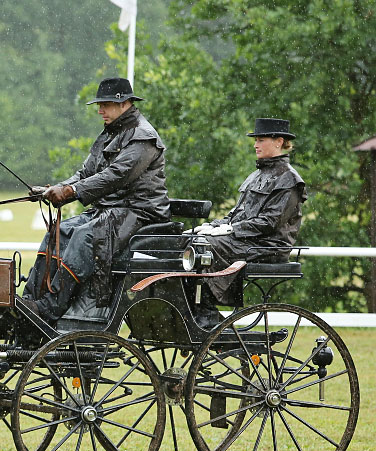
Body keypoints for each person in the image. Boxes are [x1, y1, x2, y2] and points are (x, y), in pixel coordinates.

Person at [23, 77, 170, 323]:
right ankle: (30, 300)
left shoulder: (143, 136)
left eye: (106, 104)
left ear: (124, 104)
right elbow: (85, 174)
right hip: (109, 212)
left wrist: (70, 192)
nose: (100, 110)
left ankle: (49, 308)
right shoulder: (109, 134)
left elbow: (115, 176)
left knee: (85, 237)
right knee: (57, 232)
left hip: (140, 213)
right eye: (99, 104)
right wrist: (57, 188)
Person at [191, 118, 305, 327]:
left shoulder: (289, 179)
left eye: (261, 140)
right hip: (247, 241)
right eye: (256, 140)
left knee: (209, 246)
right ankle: (193, 307)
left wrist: (232, 229)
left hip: (268, 247)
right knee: (194, 241)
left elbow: (270, 222)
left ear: (279, 141)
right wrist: (216, 225)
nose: (255, 145)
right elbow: (238, 213)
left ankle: (206, 309)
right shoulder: (257, 175)